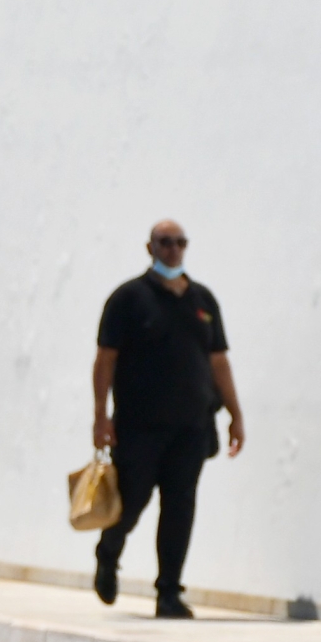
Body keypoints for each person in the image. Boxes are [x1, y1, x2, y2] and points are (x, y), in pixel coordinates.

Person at [90, 219, 244, 618]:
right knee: (131, 503)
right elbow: (105, 360)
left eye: (179, 243)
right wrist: (100, 417)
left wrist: (235, 414)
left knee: (180, 508)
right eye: (164, 242)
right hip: (139, 428)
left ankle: (169, 593)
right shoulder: (128, 299)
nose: (172, 249)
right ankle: (108, 553)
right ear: (150, 247)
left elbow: (218, 361)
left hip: (191, 428)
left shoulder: (203, 301)